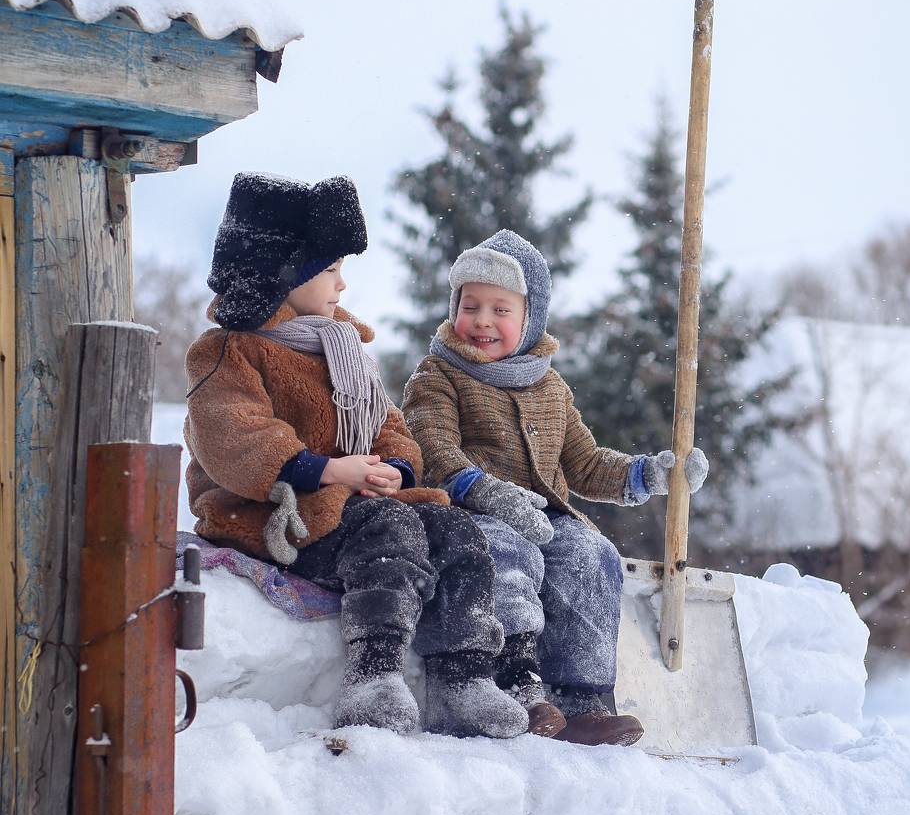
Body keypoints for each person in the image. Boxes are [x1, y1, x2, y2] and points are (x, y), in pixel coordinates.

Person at [184, 173, 528, 741]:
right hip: (274, 512)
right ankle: (375, 674)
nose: (342, 284)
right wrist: (326, 469)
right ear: (285, 274)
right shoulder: (227, 351)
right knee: (389, 529)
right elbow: (233, 435)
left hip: (354, 500)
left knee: (454, 530)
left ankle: (463, 678)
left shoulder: (341, 347)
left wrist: (395, 467)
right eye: (330, 270)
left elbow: (387, 423)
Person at [403, 229, 708, 746]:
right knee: (508, 551)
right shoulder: (438, 375)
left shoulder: (549, 387)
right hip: (469, 512)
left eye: (500, 309)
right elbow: (431, 446)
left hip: (546, 517)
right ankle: (514, 683)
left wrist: (649, 474)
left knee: (590, 552)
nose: (481, 320)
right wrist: (485, 491)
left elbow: (585, 464)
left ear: (531, 319)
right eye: (470, 306)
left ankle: (581, 698)